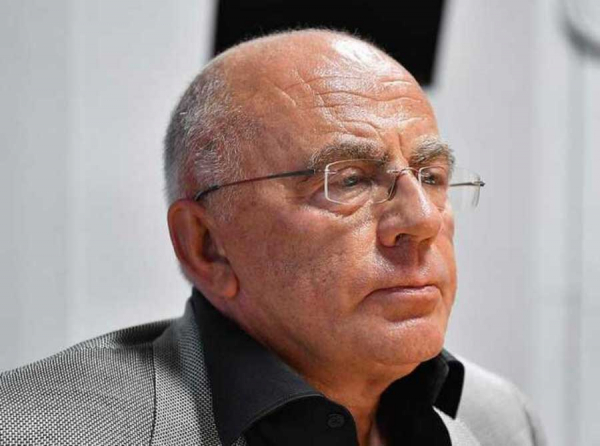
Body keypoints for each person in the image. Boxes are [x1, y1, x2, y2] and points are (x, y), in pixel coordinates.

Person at [0, 29, 544, 446]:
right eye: (349, 180)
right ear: (207, 245)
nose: (422, 220)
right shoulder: (37, 429)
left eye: (431, 177)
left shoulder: (501, 419)